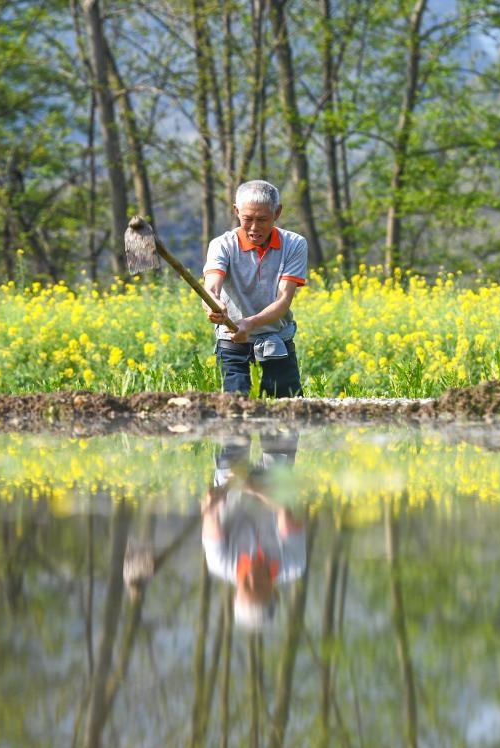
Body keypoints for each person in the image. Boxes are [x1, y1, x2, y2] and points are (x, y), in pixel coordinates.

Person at [203, 180, 307, 397]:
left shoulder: (294, 244)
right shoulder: (221, 245)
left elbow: (283, 300)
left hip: (277, 342)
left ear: (277, 213)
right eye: (247, 219)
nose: (254, 227)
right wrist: (212, 304)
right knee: (235, 416)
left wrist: (249, 324)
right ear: (236, 211)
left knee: (287, 419)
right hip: (232, 343)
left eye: (262, 219)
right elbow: (211, 287)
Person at [200, 430, 306, 631]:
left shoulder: (219, 563)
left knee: (234, 431)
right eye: (259, 586)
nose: (251, 578)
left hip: (231, 488)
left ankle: (236, 402)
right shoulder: (294, 564)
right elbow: (284, 508)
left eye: (246, 586)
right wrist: (253, 488)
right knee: (282, 427)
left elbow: (210, 514)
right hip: (272, 488)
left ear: (236, 592)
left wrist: (226, 491)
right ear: (275, 593)